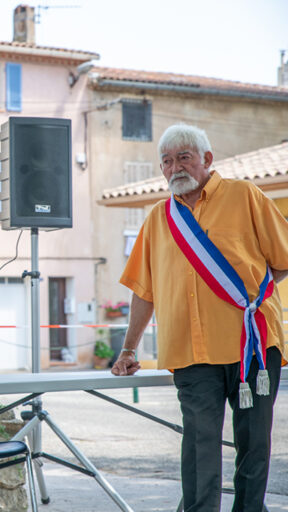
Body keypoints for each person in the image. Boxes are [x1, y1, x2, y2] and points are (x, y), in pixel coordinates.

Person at [112, 123, 288, 512]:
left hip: (252, 347)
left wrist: (254, 297)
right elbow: (144, 291)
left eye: (184, 158)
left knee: (254, 444)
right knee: (199, 445)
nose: (174, 167)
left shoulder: (245, 195)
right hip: (190, 350)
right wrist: (128, 348)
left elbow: (283, 259)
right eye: (167, 161)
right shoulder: (159, 217)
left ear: (207, 159)